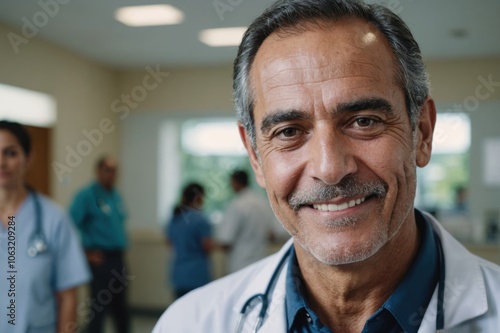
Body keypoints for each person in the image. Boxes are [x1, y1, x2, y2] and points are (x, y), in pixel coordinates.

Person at [153, 0, 500, 332]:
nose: (330, 168)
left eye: (364, 121)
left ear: (421, 133)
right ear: (256, 156)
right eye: (289, 131)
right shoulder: (189, 324)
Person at [0, 120, 91, 333]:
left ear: (28, 158)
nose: (1, 162)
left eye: (10, 153)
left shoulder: (54, 219)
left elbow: (68, 297)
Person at [70, 156, 130, 333]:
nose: (112, 174)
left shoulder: (116, 196)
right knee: (98, 308)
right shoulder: (87, 195)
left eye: (114, 171)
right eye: (107, 170)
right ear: (98, 171)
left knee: (121, 308)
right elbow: (70, 226)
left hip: (118, 258)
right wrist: (85, 253)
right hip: (100, 260)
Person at [216, 169, 284, 273]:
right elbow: (275, 233)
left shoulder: (237, 204)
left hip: (240, 263)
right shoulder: (263, 202)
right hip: (260, 260)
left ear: (235, 182)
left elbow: (226, 240)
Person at [166, 182, 213, 299]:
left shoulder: (175, 218)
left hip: (179, 273)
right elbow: (206, 246)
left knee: (181, 311)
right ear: (199, 197)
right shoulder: (199, 220)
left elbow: (169, 242)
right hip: (196, 274)